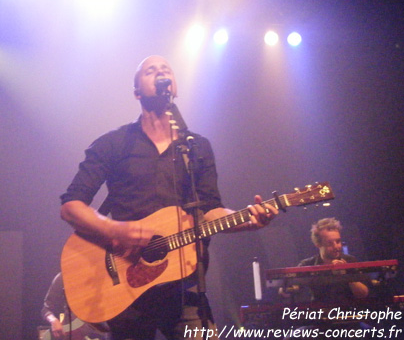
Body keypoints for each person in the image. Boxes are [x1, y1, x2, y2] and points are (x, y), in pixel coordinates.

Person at [60, 55, 278, 340]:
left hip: (184, 287)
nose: (161, 73)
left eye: (166, 70)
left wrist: (246, 220)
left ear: (174, 88)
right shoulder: (113, 143)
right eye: (151, 71)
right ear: (137, 92)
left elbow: (211, 211)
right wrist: (114, 229)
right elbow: (71, 205)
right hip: (125, 288)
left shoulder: (196, 148)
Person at [280, 217, 369, 303]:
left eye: (338, 241)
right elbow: (290, 287)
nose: (336, 247)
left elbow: (363, 294)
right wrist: (285, 288)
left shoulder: (350, 260)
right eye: (330, 243)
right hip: (319, 313)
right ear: (318, 244)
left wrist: (346, 275)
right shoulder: (308, 264)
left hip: (349, 312)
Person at [41, 272, 109, 340]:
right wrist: (53, 320)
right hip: (71, 334)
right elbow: (46, 309)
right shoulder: (63, 277)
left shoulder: (100, 273)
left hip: (101, 331)